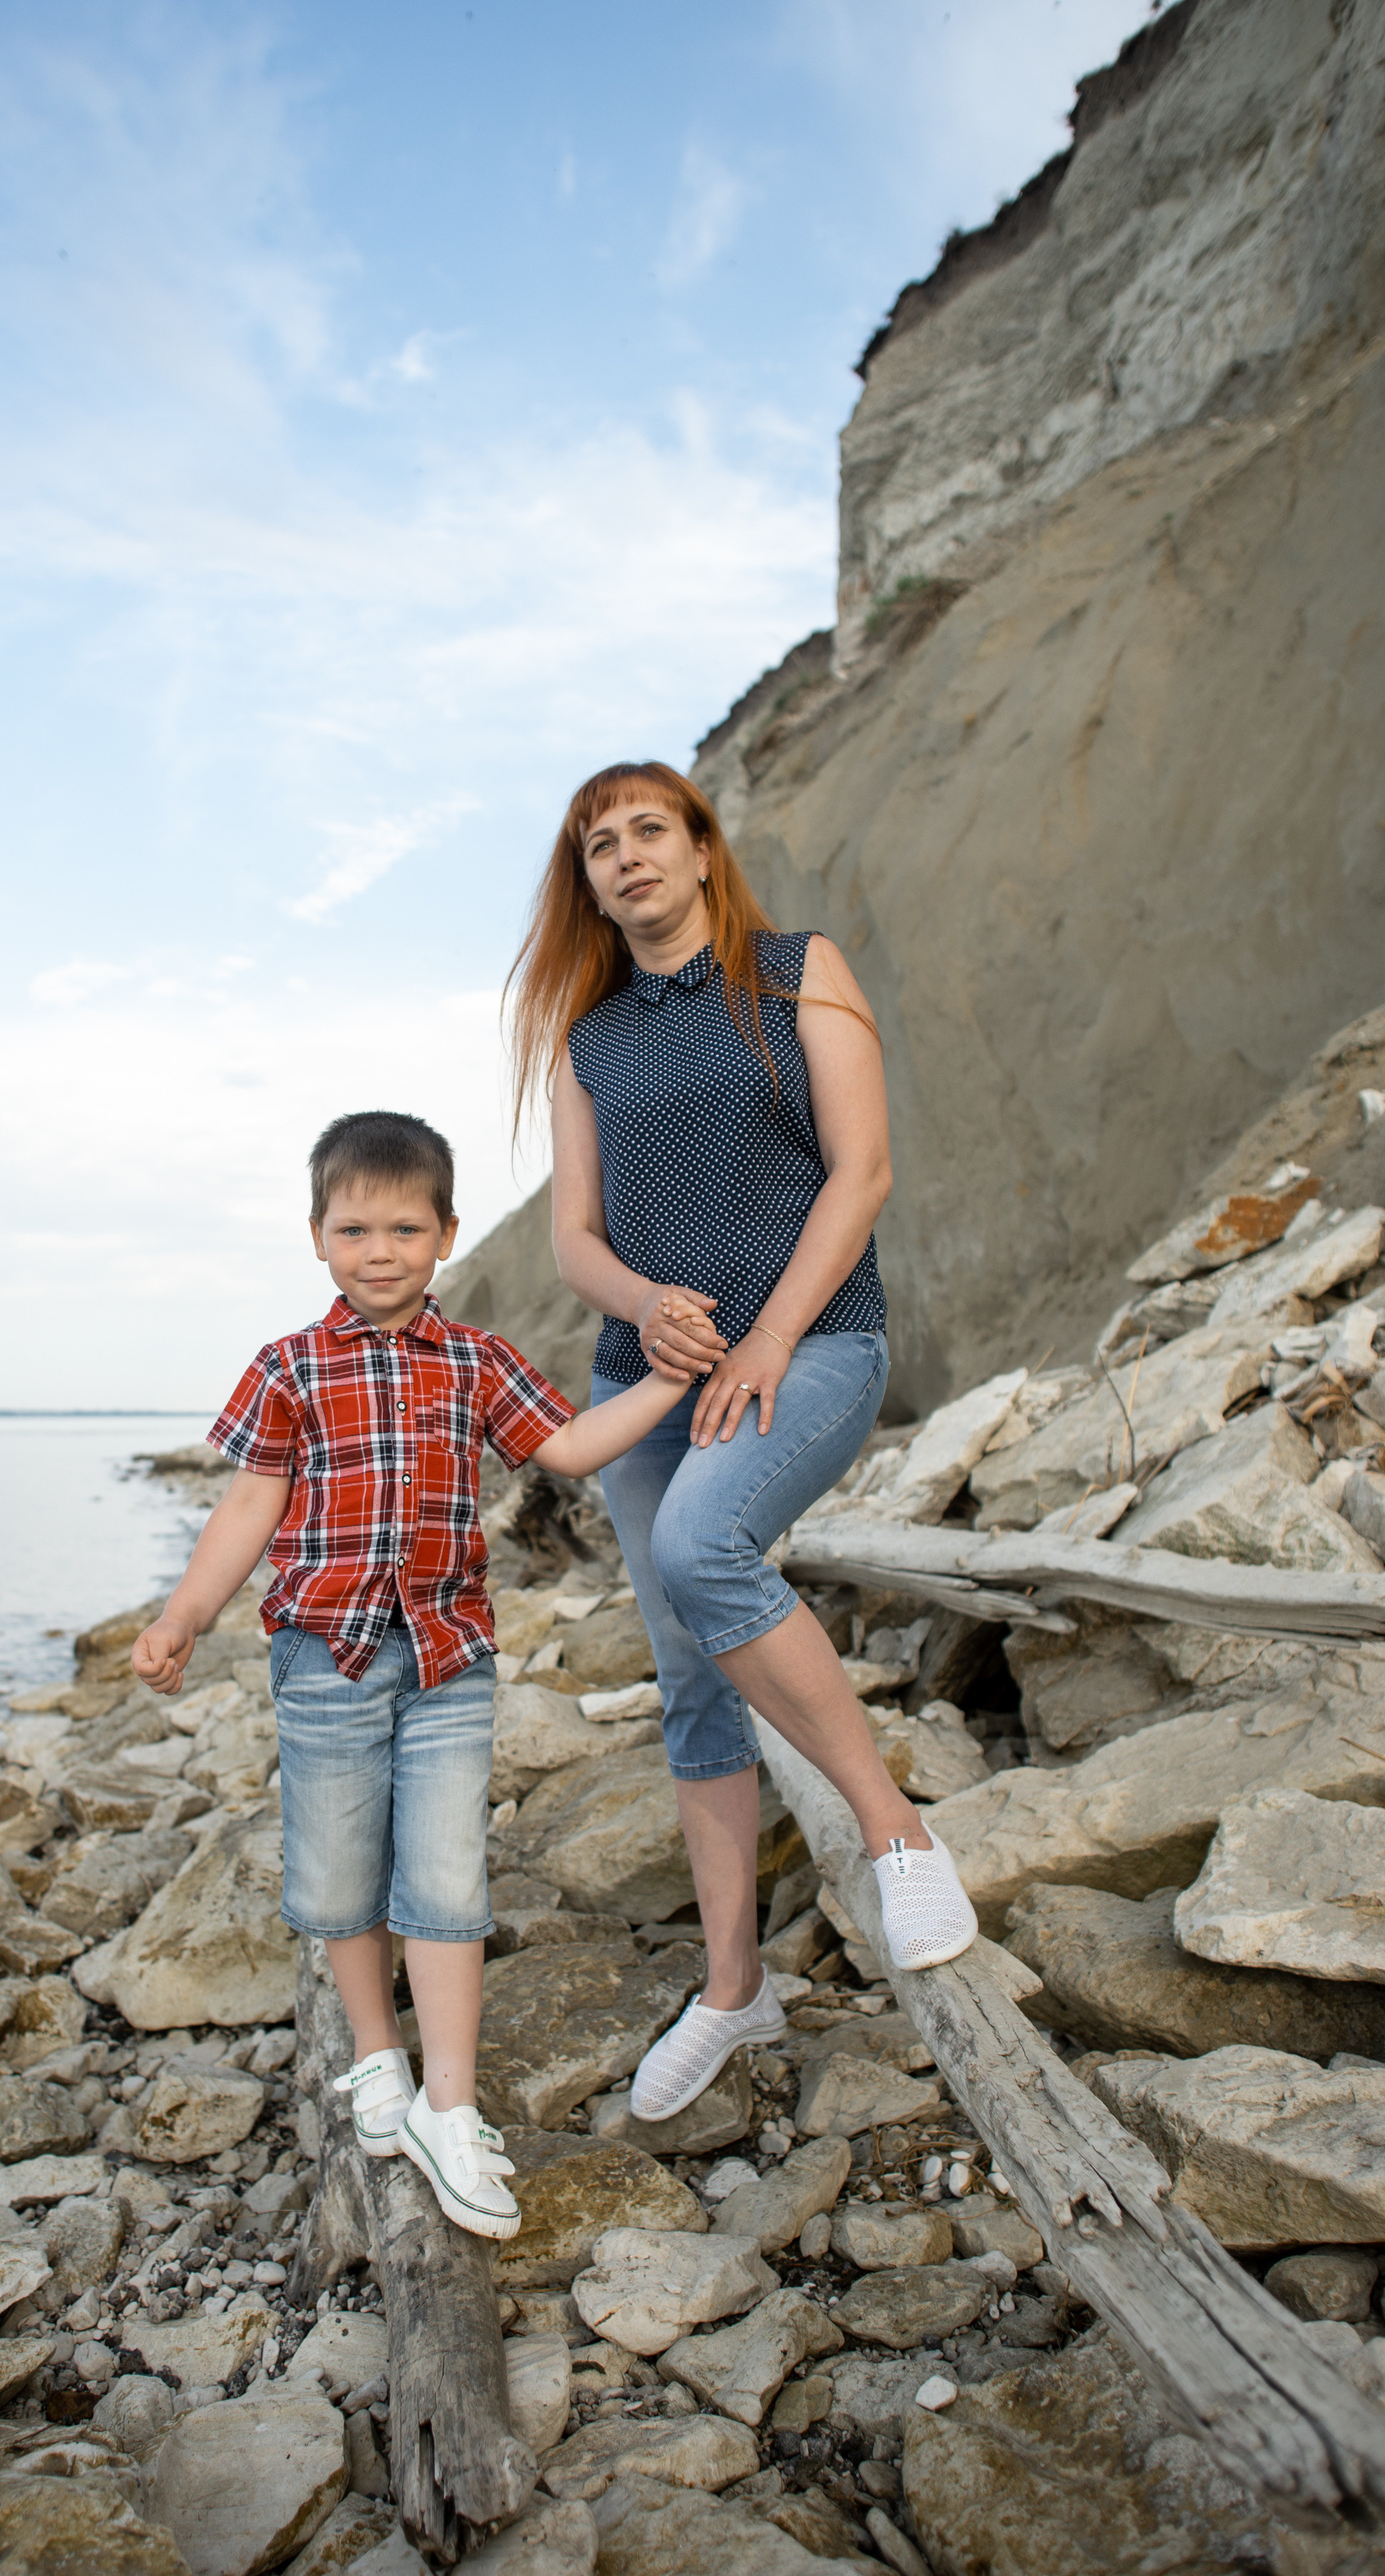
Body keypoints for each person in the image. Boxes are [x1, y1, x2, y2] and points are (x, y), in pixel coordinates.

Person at [507, 761, 977, 2124]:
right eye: (601, 845)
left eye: (651, 830)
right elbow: (574, 1241)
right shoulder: (588, 1037)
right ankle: (733, 1987)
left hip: (817, 1346)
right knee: (688, 1671)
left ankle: (896, 1835)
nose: (627, 857)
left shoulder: (796, 968)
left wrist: (770, 1335)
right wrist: (648, 1308)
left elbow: (865, 1169)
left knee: (708, 1547)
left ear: (704, 851)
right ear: (587, 881)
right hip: (648, 1380)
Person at [130, 1109, 698, 2238]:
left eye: (403, 1227)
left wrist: (672, 1382)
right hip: (321, 1655)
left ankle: (450, 2102)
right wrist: (185, 1614)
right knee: (341, 1873)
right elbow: (250, 1505)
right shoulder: (287, 1367)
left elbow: (574, 1448)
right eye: (353, 1229)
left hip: (448, 1658)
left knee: (444, 1879)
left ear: (444, 1235)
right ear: (317, 1238)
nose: (377, 1251)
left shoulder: (477, 1361)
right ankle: (376, 2059)